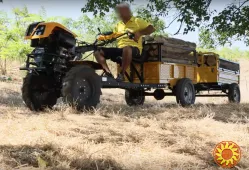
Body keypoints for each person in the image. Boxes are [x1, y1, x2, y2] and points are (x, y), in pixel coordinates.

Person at [94, 2, 155, 81]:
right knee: (97, 52)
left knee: (127, 49)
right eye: (119, 12)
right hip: (120, 49)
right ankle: (108, 73)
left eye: (122, 11)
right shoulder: (118, 25)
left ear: (128, 11)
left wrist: (139, 33)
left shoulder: (137, 21)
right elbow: (113, 36)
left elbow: (151, 28)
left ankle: (121, 74)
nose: (120, 14)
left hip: (135, 49)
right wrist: (102, 37)